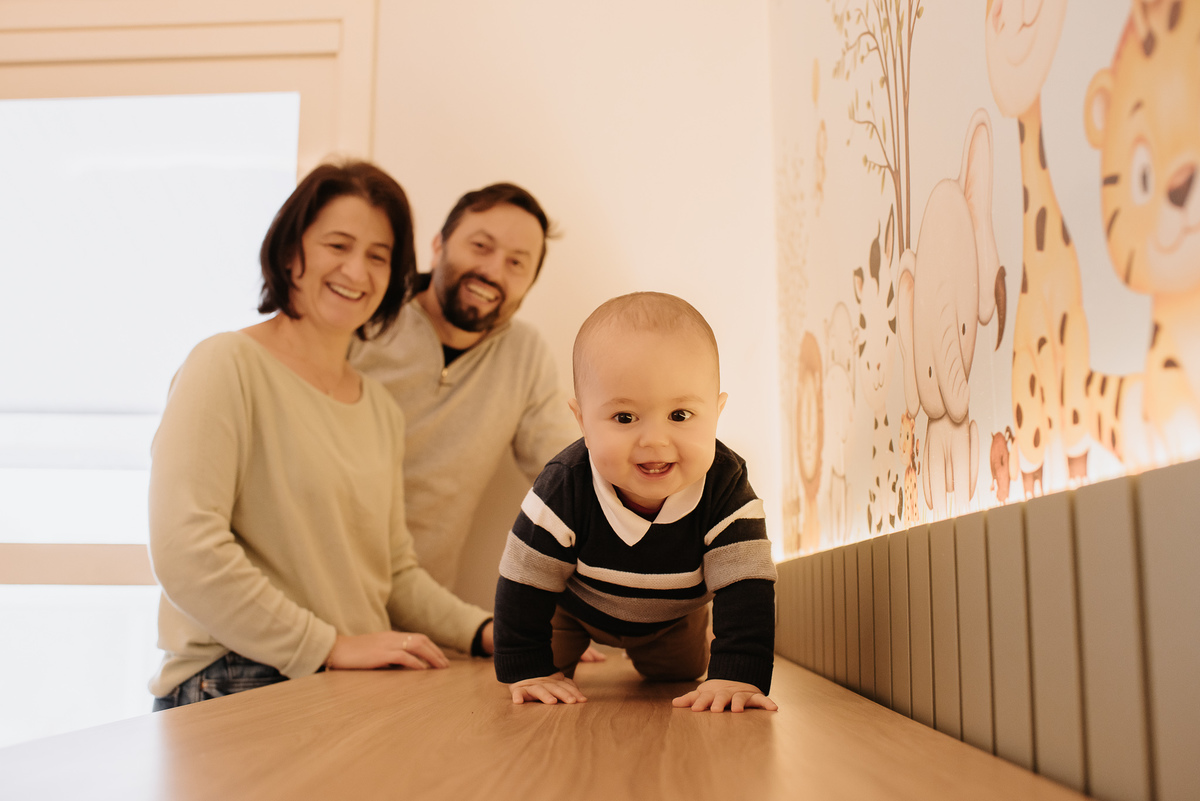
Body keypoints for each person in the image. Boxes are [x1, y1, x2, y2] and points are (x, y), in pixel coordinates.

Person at [148, 160, 493, 710]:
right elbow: (185, 551)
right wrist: (328, 645)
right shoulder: (226, 364)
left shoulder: (379, 409)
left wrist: (489, 631)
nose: (357, 270)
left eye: (378, 256)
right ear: (291, 253)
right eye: (338, 245)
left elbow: (394, 574)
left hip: (353, 677)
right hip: (239, 673)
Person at [492, 292, 779, 712]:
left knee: (682, 672)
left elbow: (746, 584)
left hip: (673, 620)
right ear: (583, 421)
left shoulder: (726, 487)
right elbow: (523, 579)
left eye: (680, 415)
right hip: (574, 610)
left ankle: (676, 641)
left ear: (717, 413)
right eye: (624, 418)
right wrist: (525, 668)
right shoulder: (564, 486)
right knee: (542, 670)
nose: (655, 441)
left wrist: (737, 674)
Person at [348, 183, 579, 591]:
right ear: (438, 245)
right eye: (480, 246)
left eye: (516, 263)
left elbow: (568, 478)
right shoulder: (366, 315)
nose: (493, 271)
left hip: (422, 611)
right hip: (319, 588)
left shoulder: (524, 354)